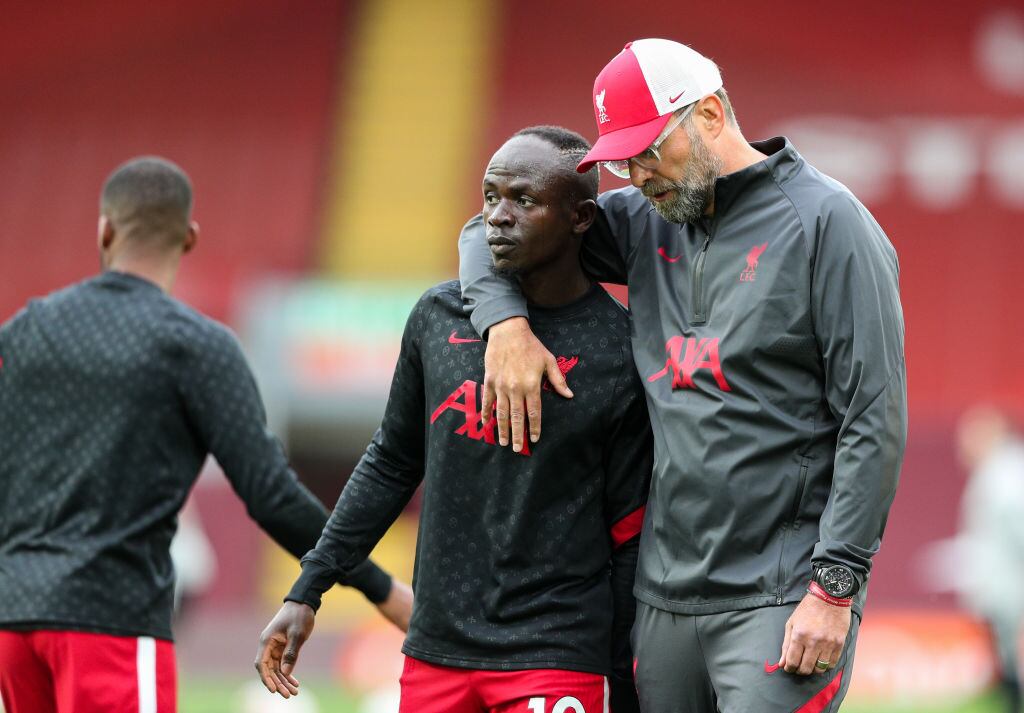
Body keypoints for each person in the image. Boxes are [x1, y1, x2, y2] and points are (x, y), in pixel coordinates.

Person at [458, 39, 908, 712]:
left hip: (781, 594)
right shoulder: (646, 220)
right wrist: (504, 326)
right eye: (622, 160)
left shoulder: (829, 223)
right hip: (663, 599)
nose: (637, 175)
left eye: (647, 149)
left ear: (709, 115)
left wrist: (835, 587)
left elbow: (873, 417)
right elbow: (489, 231)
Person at [256, 127, 652, 713]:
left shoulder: (620, 350)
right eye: (491, 196)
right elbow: (390, 463)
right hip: (435, 653)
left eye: (524, 199)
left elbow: (628, 533)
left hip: (555, 653)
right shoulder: (437, 316)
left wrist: (620, 675)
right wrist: (307, 590)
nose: (498, 216)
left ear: (580, 218)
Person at [0, 156, 412, 713]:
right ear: (189, 237)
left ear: (104, 230)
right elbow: (272, 495)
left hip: (13, 622)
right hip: (109, 619)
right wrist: (380, 587)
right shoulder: (197, 347)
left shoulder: (24, 331)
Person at [955, 406, 1024, 713]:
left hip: (1010, 581)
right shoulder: (999, 470)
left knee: (1010, 648)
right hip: (1003, 580)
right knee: (1004, 649)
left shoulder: (1004, 475)